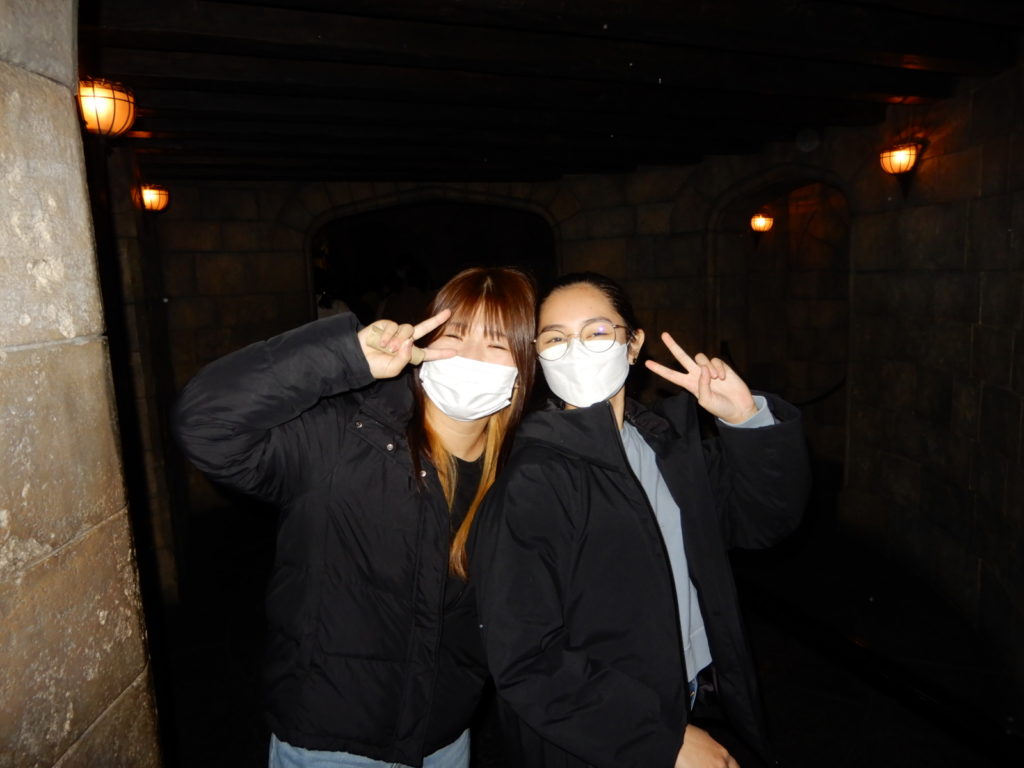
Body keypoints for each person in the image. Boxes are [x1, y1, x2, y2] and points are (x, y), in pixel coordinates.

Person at [173, 266, 537, 768]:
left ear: (523, 366)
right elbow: (206, 423)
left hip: (445, 740)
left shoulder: (520, 475)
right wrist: (347, 356)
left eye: (496, 343)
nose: (471, 355)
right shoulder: (349, 435)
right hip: (333, 742)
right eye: (455, 334)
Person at [470, 272, 811, 768]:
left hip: (696, 692)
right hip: (605, 734)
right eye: (556, 339)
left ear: (632, 346)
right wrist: (659, 740)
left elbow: (766, 519)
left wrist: (746, 419)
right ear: (539, 356)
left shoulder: (666, 446)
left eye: (596, 332)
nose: (576, 350)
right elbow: (526, 657)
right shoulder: (534, 480)